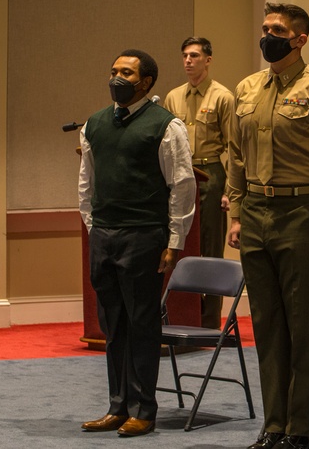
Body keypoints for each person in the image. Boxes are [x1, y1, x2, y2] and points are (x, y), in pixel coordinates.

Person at [227, 3, 309, 449]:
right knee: (266, 325)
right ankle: (273, 424)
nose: (268, 36)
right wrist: (237, 214)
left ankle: (299, 429)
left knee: (301, 326)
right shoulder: (247, 88)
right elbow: (237, 157)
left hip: (302, 213)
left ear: (300, 39)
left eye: (278, 30)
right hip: (256, 212)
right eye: (265, 28)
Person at [77, 49, 195, 437]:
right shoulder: (94, 124)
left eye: (127, 73)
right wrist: (95, 228)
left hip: (144, 236)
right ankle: (118, 406)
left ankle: (144, 408)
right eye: (114, 70)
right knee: (113, 326)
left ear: (146, 82)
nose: (117, 78)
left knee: (142, 324)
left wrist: (174, 240)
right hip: (104, 236)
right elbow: (87, 183)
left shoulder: (165, 125)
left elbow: (182, 185)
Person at [162, 37, 236, 329]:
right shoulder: (173, 97)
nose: (188, 61)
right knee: (179, 243)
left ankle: (209, 320)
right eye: (184, 55)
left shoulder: (222, 97)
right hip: (180, 176)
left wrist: (230, 191)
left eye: (194, 55)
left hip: (211, 174)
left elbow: (235, 148)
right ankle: (182, 313)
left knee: (211, 249)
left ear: (208, 60)